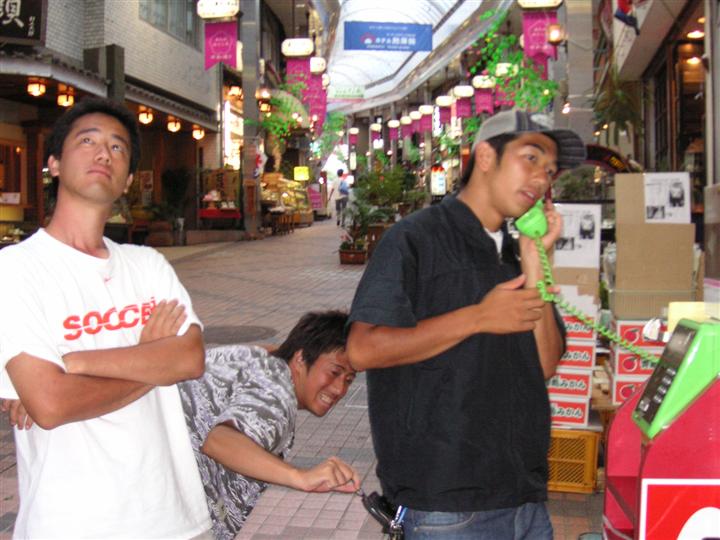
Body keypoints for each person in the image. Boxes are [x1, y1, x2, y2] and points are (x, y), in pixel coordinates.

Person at [346, 109, 586, 539]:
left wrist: (536, 261)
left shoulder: (516, 251)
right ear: (486, 157)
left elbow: (545, 364)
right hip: (447, 504)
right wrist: (477, 317)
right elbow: (363, 349)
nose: (542, 179)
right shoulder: (415, 238)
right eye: (531, 158)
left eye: (550, 171)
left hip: (524, 495)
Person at [0, 97, 211, 539]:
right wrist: (150, 358)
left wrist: (75, 362)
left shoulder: (147, 264)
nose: (104, 153)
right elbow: (51, 404)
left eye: (118, 147)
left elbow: (189, 358)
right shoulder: (15, 270)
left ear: (128, 179)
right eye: (88, 141)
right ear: (54, 163)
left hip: (174, 521)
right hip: (69, 525)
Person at [178, 310, 360, 540]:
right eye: (334, 372)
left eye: (349, 379)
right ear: (300, 359)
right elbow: (219, 441)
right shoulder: (277, 399)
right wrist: (300, 477)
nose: (339, 389)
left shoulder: (266, 358)